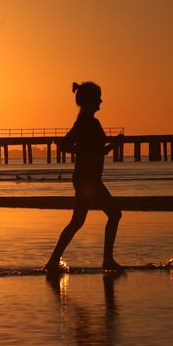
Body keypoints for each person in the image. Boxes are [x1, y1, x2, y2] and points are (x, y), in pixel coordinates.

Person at [45, 81, 124, 273]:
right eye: (98, 98)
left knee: (77, 222)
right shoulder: (85, 121)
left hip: (88, 179)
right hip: (88, 180)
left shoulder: (86, 120)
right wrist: (84, 151)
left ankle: (53, 261)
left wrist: (112, 146)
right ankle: (107, 260)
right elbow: (65, 145)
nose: (101, 101)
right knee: (114, 214)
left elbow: (94, 151)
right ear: (90, 100)